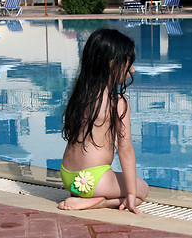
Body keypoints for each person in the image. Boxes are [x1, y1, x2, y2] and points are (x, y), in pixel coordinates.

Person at [58, 28, 149, 214]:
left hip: (68, 176)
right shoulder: (118, 103)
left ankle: (88, 197)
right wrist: (131, 195)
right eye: (129, 64)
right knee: (143, 189)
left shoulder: (79, 95)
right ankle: (99, 202)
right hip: (94, 180)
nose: (132, 69)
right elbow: (125, 149)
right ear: (113, 65)